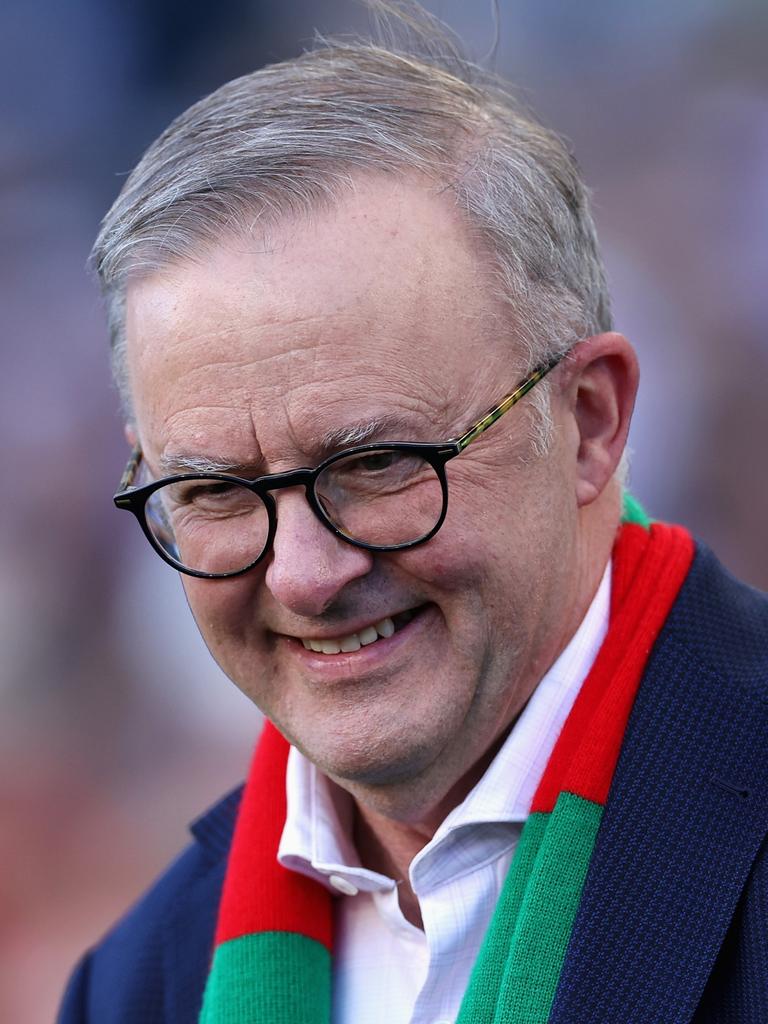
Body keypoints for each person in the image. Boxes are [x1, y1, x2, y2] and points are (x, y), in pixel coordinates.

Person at [58, 7, 768, 1024]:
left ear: (591, 420)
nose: (304, 573)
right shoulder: (138, 985)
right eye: (213, 490)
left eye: (377, 463)